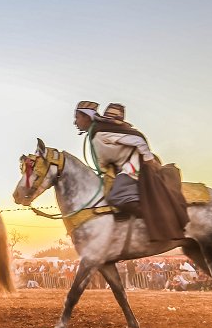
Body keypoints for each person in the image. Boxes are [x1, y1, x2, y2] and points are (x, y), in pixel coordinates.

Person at [74, 101, 188, 241]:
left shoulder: (101, 131)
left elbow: (138, 139)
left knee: (117, 197)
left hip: (134, 166)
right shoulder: (96, 132)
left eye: (77, 117)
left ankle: (158, 219)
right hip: (123, 167)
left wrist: (148, 159)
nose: (75, 122)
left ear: (86, 117)